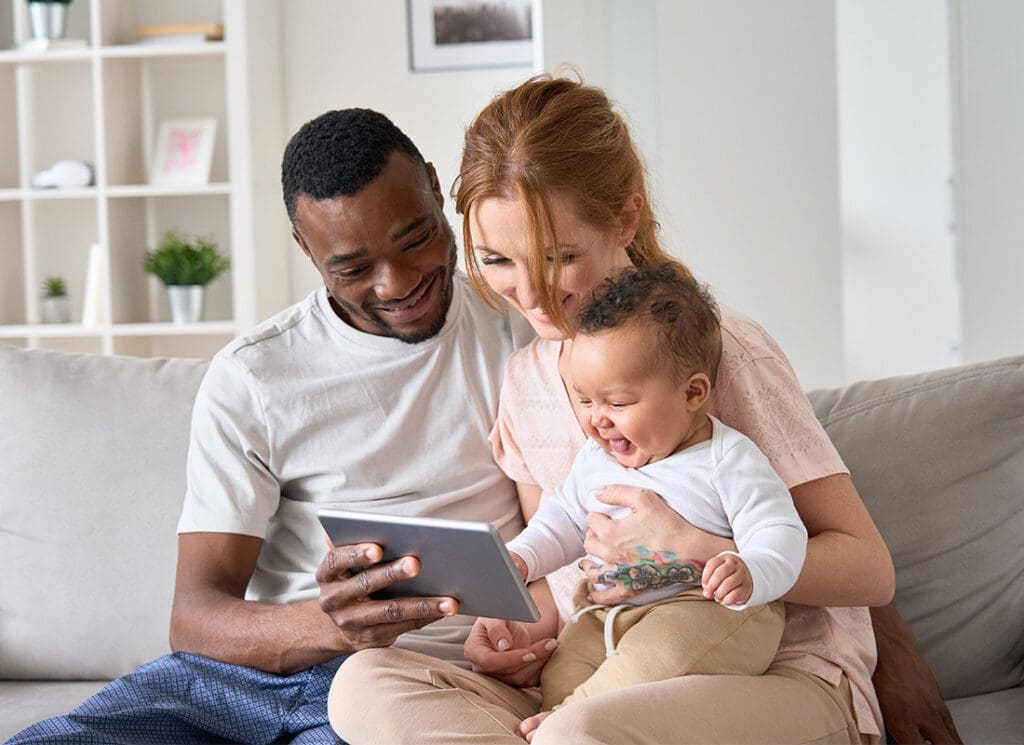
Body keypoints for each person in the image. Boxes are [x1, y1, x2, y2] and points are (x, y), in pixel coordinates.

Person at [327, 73, 962, 745]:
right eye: (496, 260)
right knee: (364, 683)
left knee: (581, 731)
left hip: (778, 675)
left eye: (559, 256)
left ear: (625, 218)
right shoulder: (525, 381)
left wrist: (704, 551)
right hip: (605, 665)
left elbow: (868, 565)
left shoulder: (721, 351)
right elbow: (568, 559)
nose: (532, 292)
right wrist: (517, 629)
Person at [6, 108, 535, 744]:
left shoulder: (519, 330)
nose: (396, 283)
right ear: (304, 247)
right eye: (352, 268)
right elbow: (195, 617)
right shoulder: (253, 377)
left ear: (432, 184)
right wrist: (327, 626)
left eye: (416, 238)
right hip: (250, 679)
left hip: (410, 689)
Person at [502, 261, 807, 739]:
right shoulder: (595, 458)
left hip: (707, 609)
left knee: (662, 655)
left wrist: (753, 570)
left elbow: (780, 531)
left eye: (618, 403)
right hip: (608, 610)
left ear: (692, 393)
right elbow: (561, 518)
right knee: (565, 666)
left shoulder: (725, 460)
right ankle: (570, 718)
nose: (598, 420)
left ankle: (568, 722)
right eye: (585, 401)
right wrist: (522, 558)